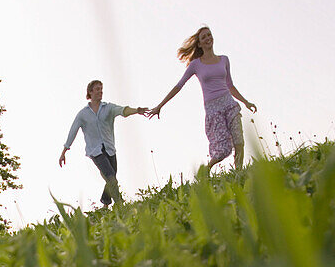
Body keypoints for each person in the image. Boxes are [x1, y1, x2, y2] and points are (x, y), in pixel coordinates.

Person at [147, 27, 256, 172]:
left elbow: (230, 85)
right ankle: (207, 169)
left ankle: (239, 173)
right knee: (223, 150)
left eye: (209, 35)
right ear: (199, 44)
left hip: (229, 103)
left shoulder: (224, 60)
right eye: (204, 37)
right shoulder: (196, 64)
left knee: (239, 141)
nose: (208, 38)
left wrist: (246, 102)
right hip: (213, 109)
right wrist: (160, 105)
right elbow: (179, 85)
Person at [59, 80, 147, 207]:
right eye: (97, 89)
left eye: (101, 89)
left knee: (111, 179)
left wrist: (137, 110)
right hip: (95, 152)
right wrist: (64, 152)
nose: (100, 91)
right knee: (111, 177)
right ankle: (120, 205)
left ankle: (105, 205)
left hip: (110, 149)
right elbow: (73, 131)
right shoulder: (83, 114)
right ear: (90, 92)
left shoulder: (108, 108)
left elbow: (122, 111)